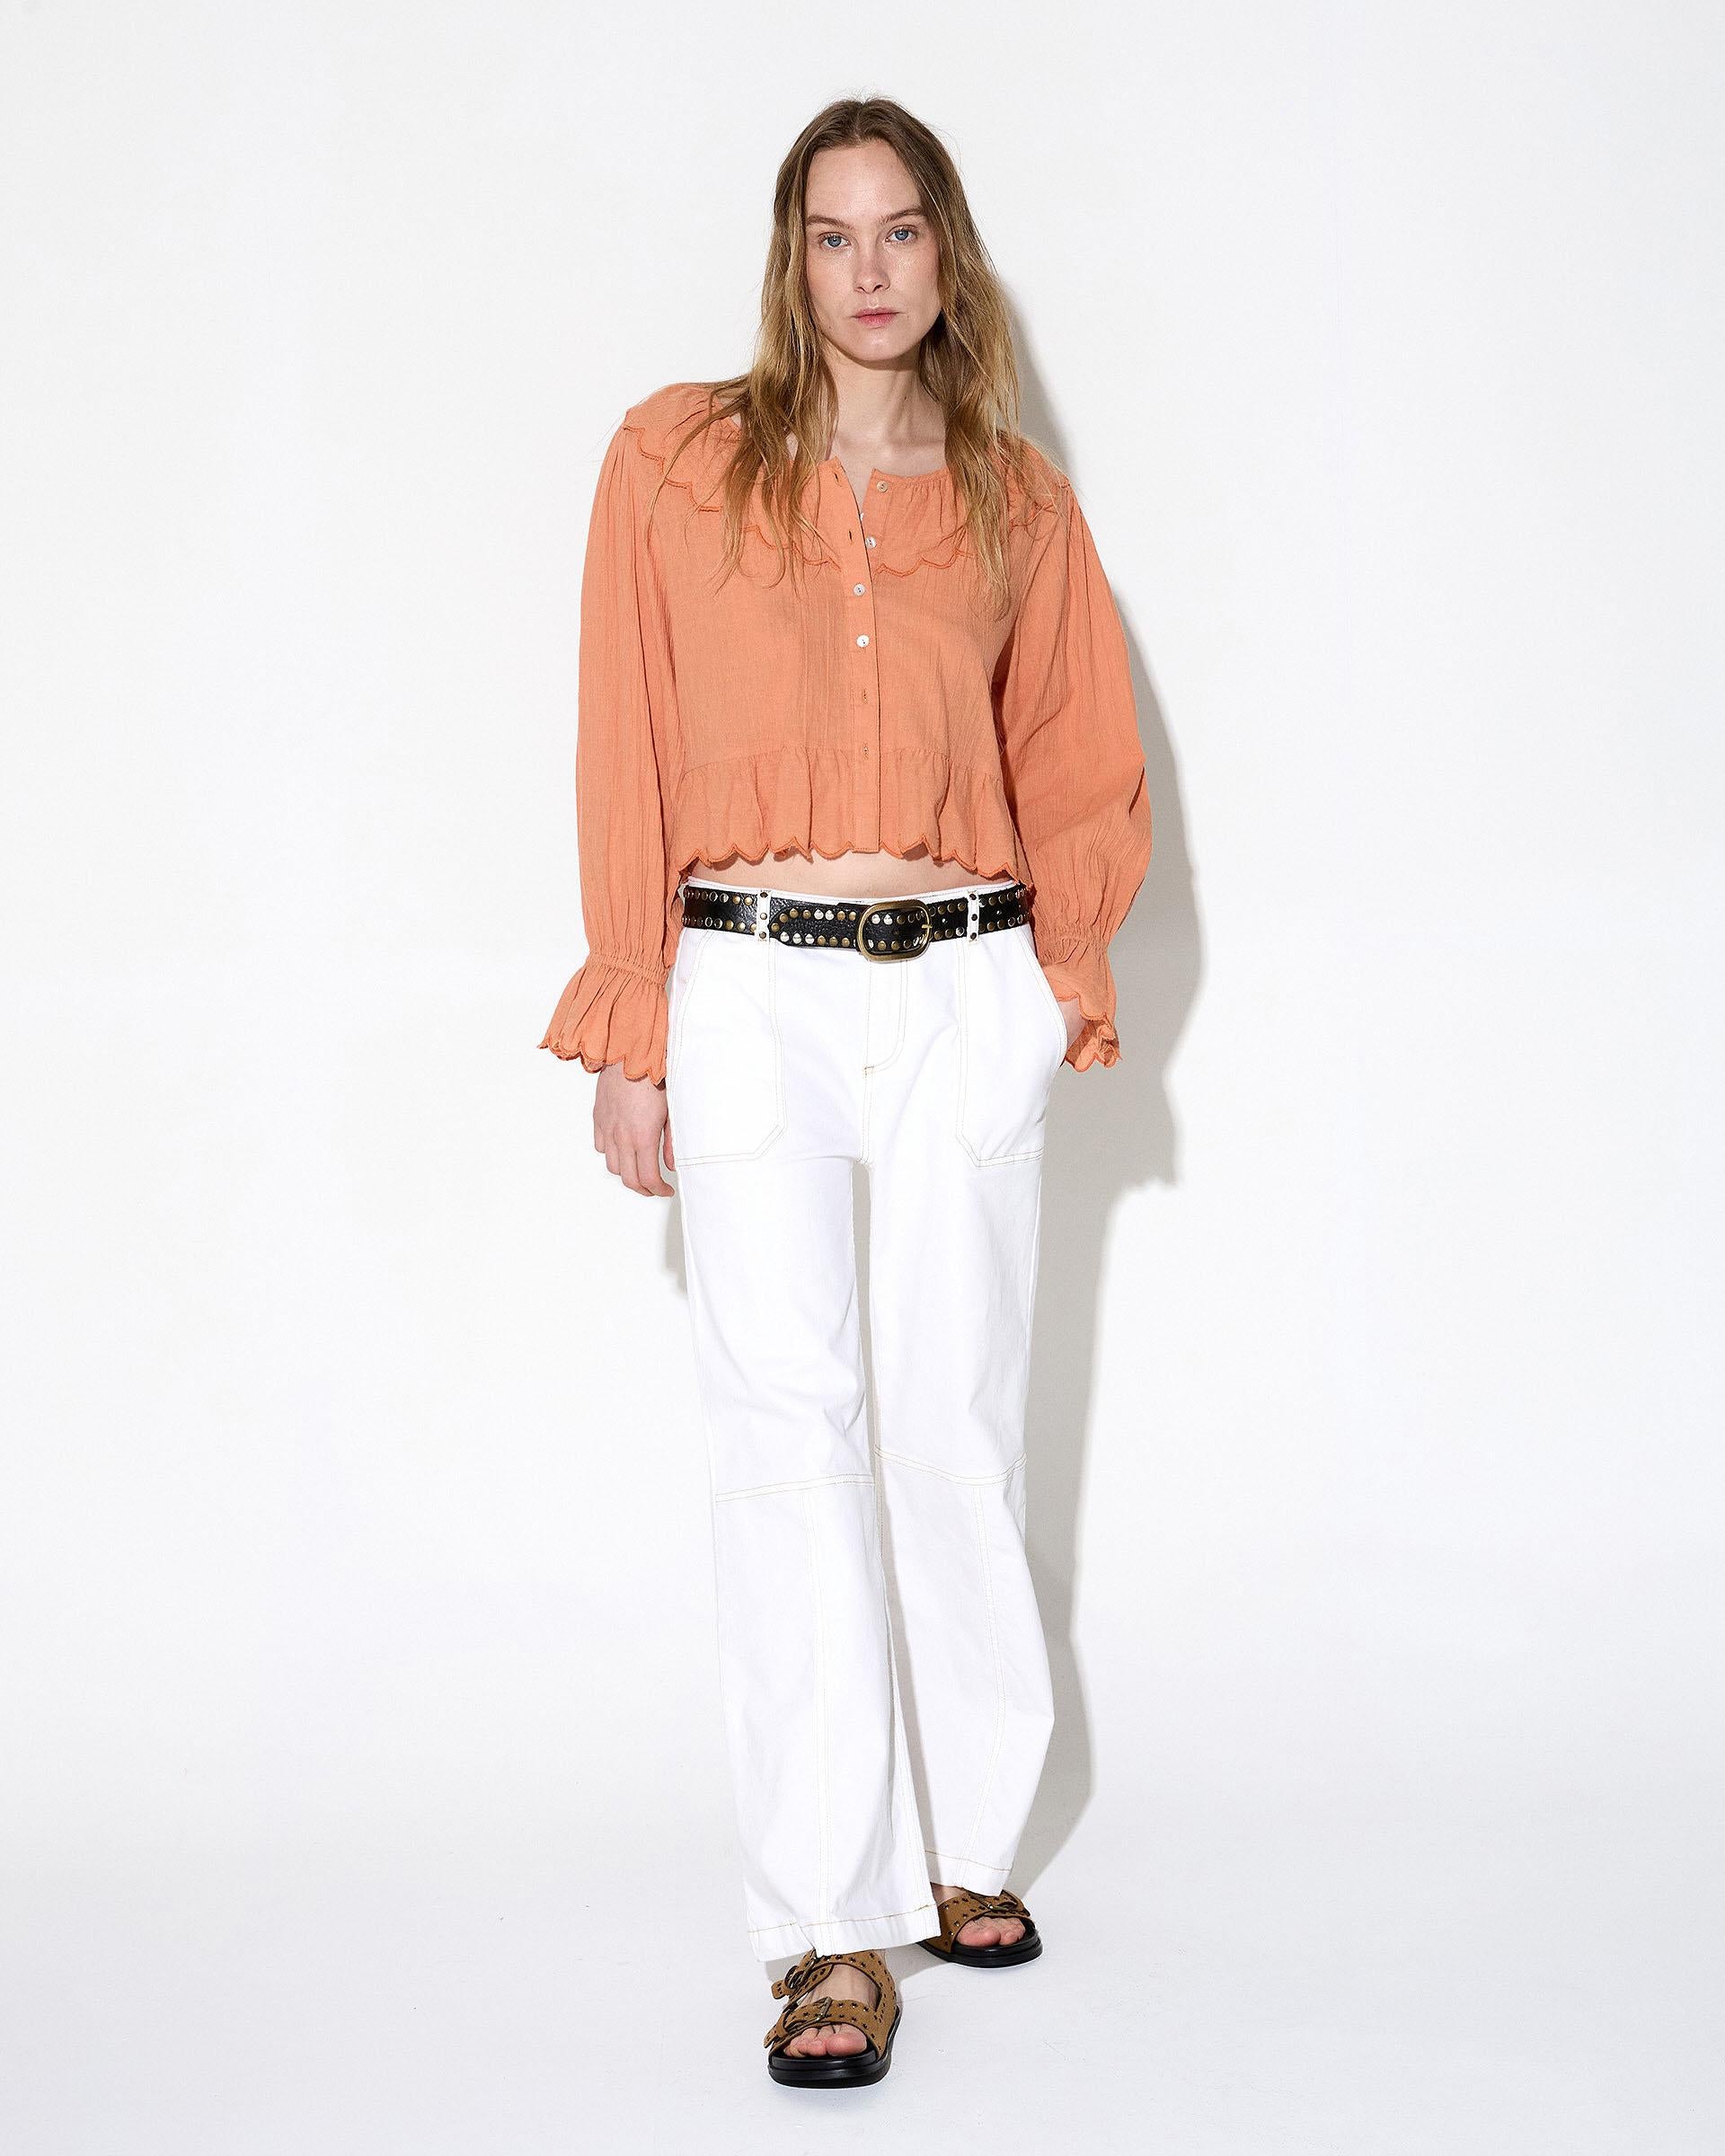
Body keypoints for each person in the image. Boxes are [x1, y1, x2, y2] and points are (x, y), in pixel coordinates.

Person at [539, 94, 1153, 2089]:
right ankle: (826, 1920)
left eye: (900, 231)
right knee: (786, 1434)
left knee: (955, 1415)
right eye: (831, 234)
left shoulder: (1014, 497)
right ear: (788, 258)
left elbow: (1077, 752)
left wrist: (1057, 982)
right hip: (749, 986)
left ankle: (970, 1833)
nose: (868, 270)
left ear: (945, 252)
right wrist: (634, 1019)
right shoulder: (676, 464)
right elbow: (625, 738)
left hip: (966, 976)